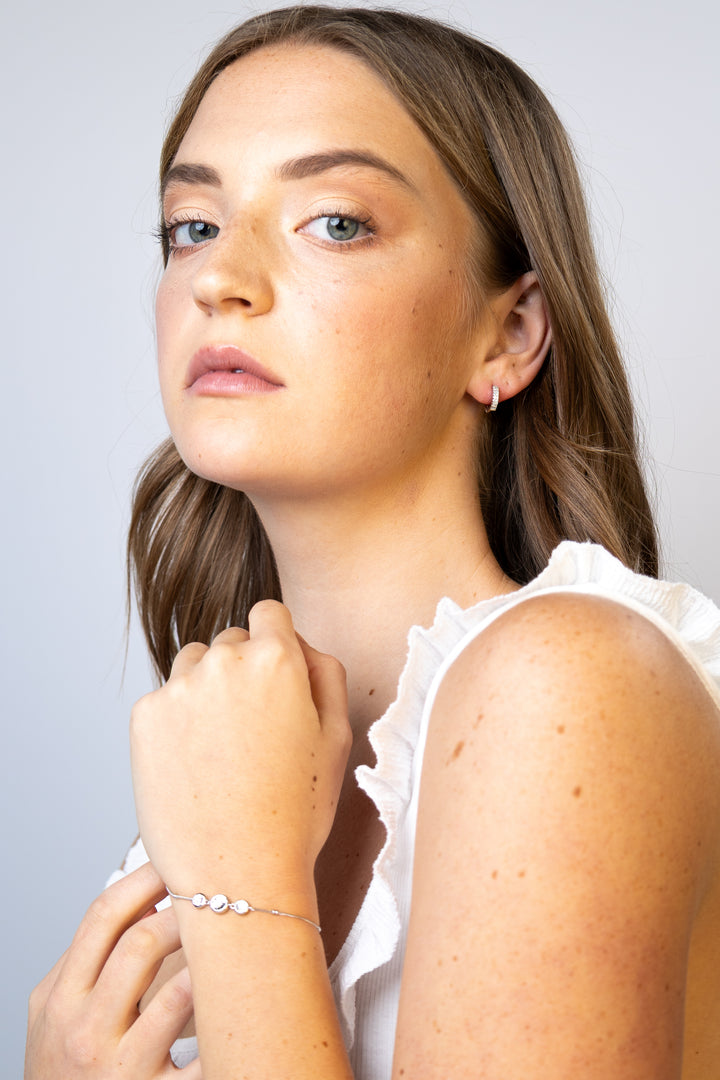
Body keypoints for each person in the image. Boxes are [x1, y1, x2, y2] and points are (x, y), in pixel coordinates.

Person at [24, 6, 720, 1079]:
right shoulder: (233, 745)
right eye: (192, 226)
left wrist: (244, 891)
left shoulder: (570, 682)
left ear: (510, 331)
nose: (218, 278)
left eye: (335, 221)